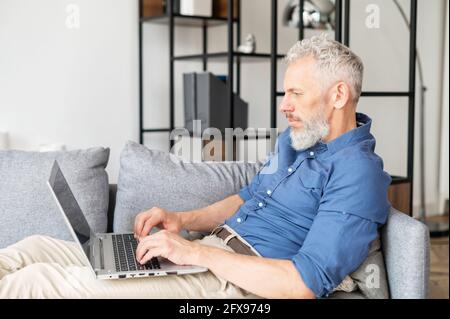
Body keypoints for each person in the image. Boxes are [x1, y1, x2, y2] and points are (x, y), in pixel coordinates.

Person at [0, 34, 391, 299]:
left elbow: (304, 283)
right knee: (29, 250)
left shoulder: (358, 173)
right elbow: (247, 197)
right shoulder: (296, 140)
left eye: (295, 93)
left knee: (37, 282)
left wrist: (195, 254)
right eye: (284, 92)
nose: (283, 104)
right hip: (207, 255)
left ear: (339, 94)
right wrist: (180, 218)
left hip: (232, 286)